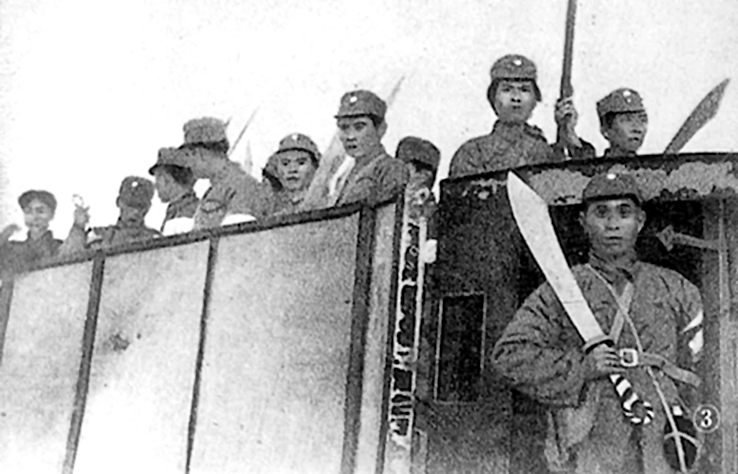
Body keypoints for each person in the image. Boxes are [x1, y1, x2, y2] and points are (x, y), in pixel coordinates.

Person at [491, 172, 703, 473]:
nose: (613, 224)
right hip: (591, 446)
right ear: (583, 221)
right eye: (601, 213)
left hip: (664, 443)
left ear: (640, 221)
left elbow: (705, 364)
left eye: (624, 212)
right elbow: (509, 356)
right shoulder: (561, 288)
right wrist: (582, 367)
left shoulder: (676, 289)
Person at [449, 54, 594, 178]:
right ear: (493, 98)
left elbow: (586, 181)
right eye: (507, 89)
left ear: (535, 99)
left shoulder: (548, 154)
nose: (516, 98)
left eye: (524, 90)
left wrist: (569, 134)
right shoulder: (473, 153)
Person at [173, 117, 271, 228]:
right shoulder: (215, 189)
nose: (187, 164)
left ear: (201, 154)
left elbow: (239, 233)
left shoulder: (241, 186)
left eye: (189, 156)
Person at [330, 90, 409, 206]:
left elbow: (389, 212)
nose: (350, 136)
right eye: (344, 128)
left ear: (380, 129)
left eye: (359, 127)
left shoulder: (390, 169)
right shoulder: (344, 176)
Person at [64, 176, 161, 251]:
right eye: (129, 205)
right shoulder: (99, 236)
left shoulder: (156, 240)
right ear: (118, 202)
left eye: (140, 206)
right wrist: (78, 228)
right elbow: (67, 259)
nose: (135, 212)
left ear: (148, 208)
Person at [0, 190, 62, 278]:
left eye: (40, 211)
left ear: (52, 215)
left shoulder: (59, 248)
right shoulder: (13, 249)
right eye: (28, 212)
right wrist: (2, 237)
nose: (34, 217)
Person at [149, 147, 199, 233]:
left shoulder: (190, 211)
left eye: (159, 178)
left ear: (169, 178)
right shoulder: (177, 209)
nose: (156, 185)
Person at [268, 133, 321, 215]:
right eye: (285, 164)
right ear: (276, 170)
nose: (292, 169)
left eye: (301, 163)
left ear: (315, 167)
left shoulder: (326, 203)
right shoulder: (268, 207)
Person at [597, 88, 648, 158]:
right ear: (606, 128)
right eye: (627, 120)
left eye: (643, 119)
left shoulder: (650, 165)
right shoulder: (592, 165)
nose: (637, 128)